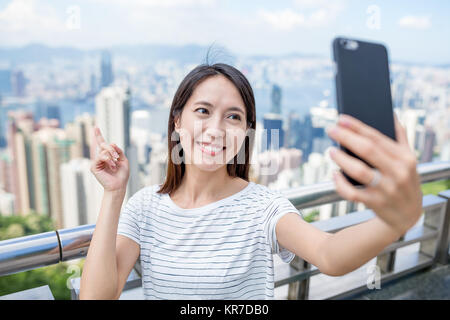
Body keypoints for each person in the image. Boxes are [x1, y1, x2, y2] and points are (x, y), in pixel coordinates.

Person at [79, 63, 422, 300]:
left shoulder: (263, 207)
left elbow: (329, 255)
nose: (216, 129)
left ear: (246, 133)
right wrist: (114, 194)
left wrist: (394, 221)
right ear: (177, 121)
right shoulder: (144, 207)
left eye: (233, 117)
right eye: (203, 111)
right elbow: (98, 296)